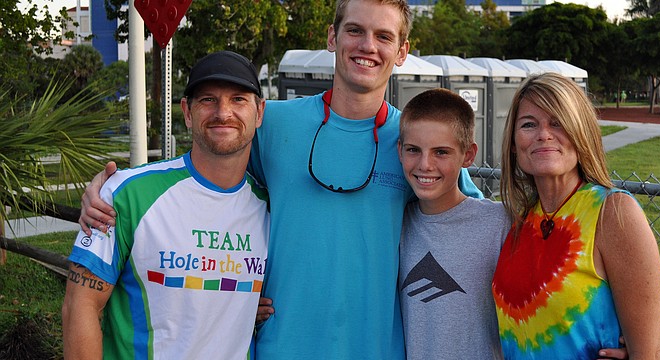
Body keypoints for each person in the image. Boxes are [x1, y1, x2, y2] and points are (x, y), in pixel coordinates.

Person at [79, 1, 480, 358]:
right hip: (278, 345)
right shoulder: (273, 122)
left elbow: (471, 221)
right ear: (332, 37)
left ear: (402, 51)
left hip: (377, 347)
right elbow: (198, 185)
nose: (367, 46)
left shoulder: (415, 144)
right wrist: (107, 192)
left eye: (383, 36)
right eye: (354, 30)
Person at [62, 51, 269, 359]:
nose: (223, 112)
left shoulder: (270, 209)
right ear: (187, 111)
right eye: (207, 100)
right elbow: (79, 306)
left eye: (238, 99)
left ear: (260, 112)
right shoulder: (127, 193)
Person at [491, 72, 660, 359]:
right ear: (513, 143)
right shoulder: (517, 220)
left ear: (581, 132)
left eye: (558, 122)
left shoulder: (613, 214)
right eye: (529, 124)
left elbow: (650, 353)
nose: (543, 134)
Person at [397, 88, 510, 360]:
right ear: (399, 151)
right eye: (414, 150)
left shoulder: (500, 224)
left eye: (441, 152)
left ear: (468, 155)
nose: (425, 164)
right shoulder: (394, 225)